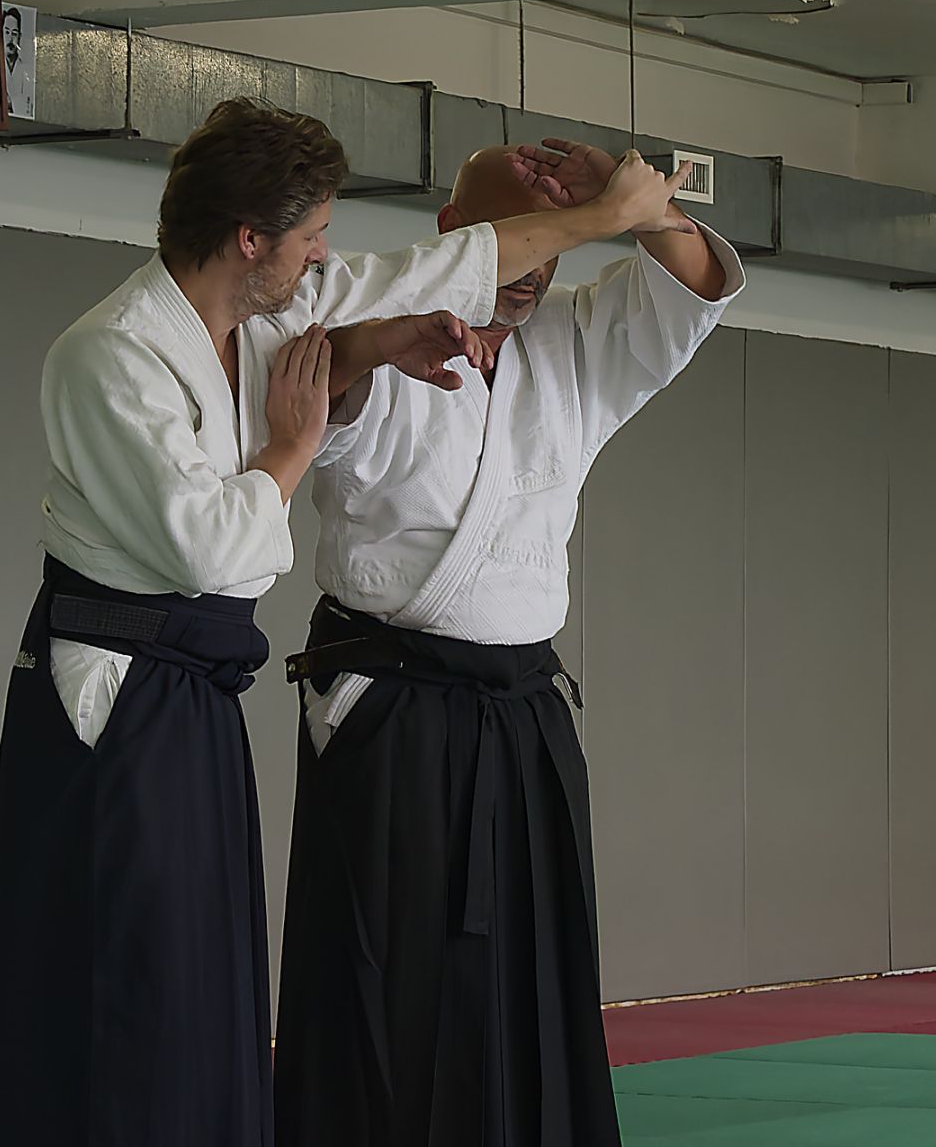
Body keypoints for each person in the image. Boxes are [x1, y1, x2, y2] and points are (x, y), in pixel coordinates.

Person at [0, 100, 691, 1147]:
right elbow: (211, 551)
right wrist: (297, 442)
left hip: (200, 690)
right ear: (250, 239)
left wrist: (394, 334)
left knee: (204, 991)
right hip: (115, 694)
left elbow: (419, 275)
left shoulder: (260, 326)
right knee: (120, 976)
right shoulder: (109, 354)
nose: (325, 255)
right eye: (312, 236)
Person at [273, 137, 741, 1147]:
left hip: (523, 714)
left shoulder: (573, 344)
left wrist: (634, 206)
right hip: (388, 705)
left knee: (536, 982)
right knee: (386, 981)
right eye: (517, 241)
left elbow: (697, 284)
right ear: (451, 232)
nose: (534, 271)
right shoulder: (370, 328)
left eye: (555, 247)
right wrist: (382, 341)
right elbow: (326, 387)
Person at [2, 5, 35, 118]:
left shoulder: (27, 71)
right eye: (7, 32)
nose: (10, 39)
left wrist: (10, 102)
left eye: (14, 33)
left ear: (19, 37)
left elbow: (29, 107)